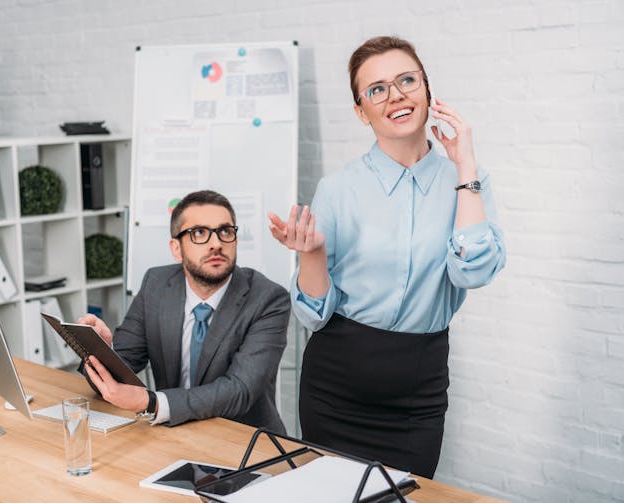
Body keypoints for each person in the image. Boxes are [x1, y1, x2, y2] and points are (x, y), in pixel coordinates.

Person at [268, 36, 506, 477]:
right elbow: (315, 317)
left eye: (406, 80)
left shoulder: (467, 180)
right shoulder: (338, 189)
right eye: (376, 89)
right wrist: (313, 255)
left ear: (427, 90)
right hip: (336, 385)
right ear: (362, 111)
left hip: (419, 387)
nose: (395, 95)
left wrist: (466, 166)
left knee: (404, 494)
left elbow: (472, 271)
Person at [80, 190, 290, 433]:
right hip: (174, 435)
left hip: (243, 442)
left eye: (225, 232)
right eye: (199, 233)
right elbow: (118, 376)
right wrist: (102, 350)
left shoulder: (268, 299)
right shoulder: (155, 284)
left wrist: (151, 403)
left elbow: (239, 391)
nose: (216, 244)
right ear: (176, 248)